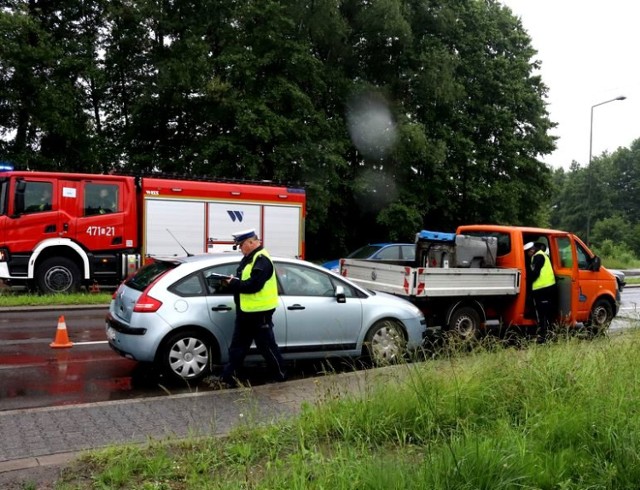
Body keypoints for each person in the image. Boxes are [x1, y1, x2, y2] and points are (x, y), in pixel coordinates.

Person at [219, 228, 286, 386]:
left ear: (251, 242)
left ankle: (281, 375)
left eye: (240, 245)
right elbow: (245, 280)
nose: (240, 249)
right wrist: (230, 282)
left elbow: (254, 285)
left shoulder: (261, 260)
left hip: (260, 314)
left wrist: (234, 283)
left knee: (267, 347)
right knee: (237, 347)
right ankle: (228, 378)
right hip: (246, 312)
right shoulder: (250, 258)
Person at [524, 241, 557, 343]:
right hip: (548, 288)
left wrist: (527, 283)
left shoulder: (538, 257)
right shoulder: (543, 255)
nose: (527, 255)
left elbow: (535, 273)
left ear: (532, 250)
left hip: (542, 289)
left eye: (527, 252)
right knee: (547, 313)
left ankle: (543, 337)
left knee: (541, 314)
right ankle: (550, 334)